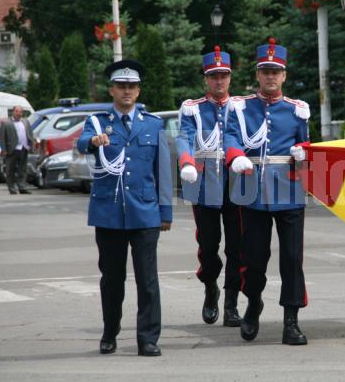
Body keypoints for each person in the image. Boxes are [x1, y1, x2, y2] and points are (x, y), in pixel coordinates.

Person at [77, 59, 173, 356]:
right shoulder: (97, 122)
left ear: (139, 90)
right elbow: (82, 143)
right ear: (112, 90)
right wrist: (93, 141)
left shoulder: (153, 124)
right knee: (112, 279)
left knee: (147, 280)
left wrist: (165, 211)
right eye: (121, 86)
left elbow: (163, 171)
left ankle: (148, 338)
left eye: (132, 86)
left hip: (144, 211)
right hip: (109, 212)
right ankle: (110, 331)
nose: (127, 91)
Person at [224, 37, 310, 345]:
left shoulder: (297, 110)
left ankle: (291, 321)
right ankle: (252, 304)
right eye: (266, 71)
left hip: (288, 191)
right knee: (254, 258)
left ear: (284, 75)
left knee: (291, 258)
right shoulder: (240, 107)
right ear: (258, 75)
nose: (271, 76)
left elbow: (305, 143)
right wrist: (236, 157)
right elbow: (231, 138)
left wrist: (302, 151)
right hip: (252, 191)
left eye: (276, 71)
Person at [176, 46, 242, 327]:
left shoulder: (241, 106)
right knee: (208, 245)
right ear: (206, 79)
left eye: (223, 76)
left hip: (238, 184)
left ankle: (231, 304)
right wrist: (187, 163)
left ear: (230, 77)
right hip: (204, 186)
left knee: (237, 247)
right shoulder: (193, 109)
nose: (219, 81)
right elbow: (184, 137)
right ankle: (210, 287)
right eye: (213, 76)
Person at [0, 105, 35, 194]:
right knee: (10, 170)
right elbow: (2, 138)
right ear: (13, 112)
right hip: (12, 149)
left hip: (24, 148)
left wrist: (31, 144)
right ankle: (12, 188)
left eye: (20, 112)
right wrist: (4, 149)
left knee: (22, 169)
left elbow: (30, 133)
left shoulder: (26, 122)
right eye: (17, 111)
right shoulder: (6, 123)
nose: (19, 113)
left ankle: (22, 187)